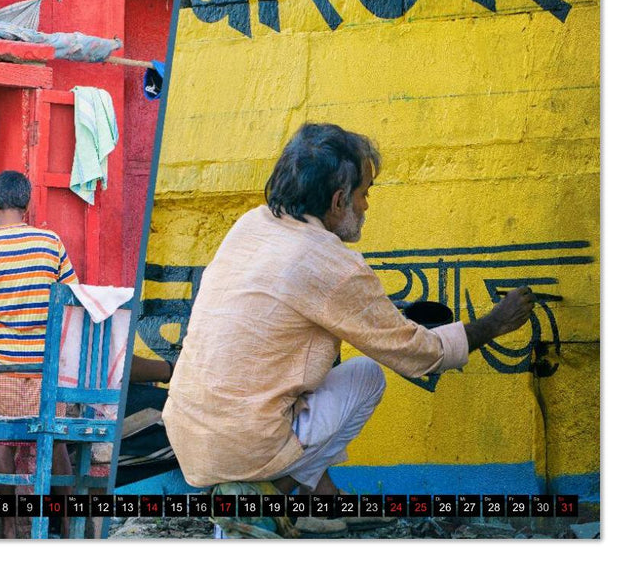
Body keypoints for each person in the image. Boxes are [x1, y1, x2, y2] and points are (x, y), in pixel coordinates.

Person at [162, 123, 537, 505]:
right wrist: (495, 323)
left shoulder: (251, 225)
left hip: (189, 437)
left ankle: (323, 501)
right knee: (366, 377)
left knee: (304, 374)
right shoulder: (332, 264)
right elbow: (421, 355)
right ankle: (270, 499)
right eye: (364, 194)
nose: (366, 206)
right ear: (339, 200)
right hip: (246, 447)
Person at [0, 170, 77, 537]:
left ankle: (10, 529)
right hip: (46, 366)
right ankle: (71, 525)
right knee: (54, 440)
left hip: (3, 366)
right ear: (27, 204)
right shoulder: (51, 242)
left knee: (3, 441)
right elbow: (71, 295)